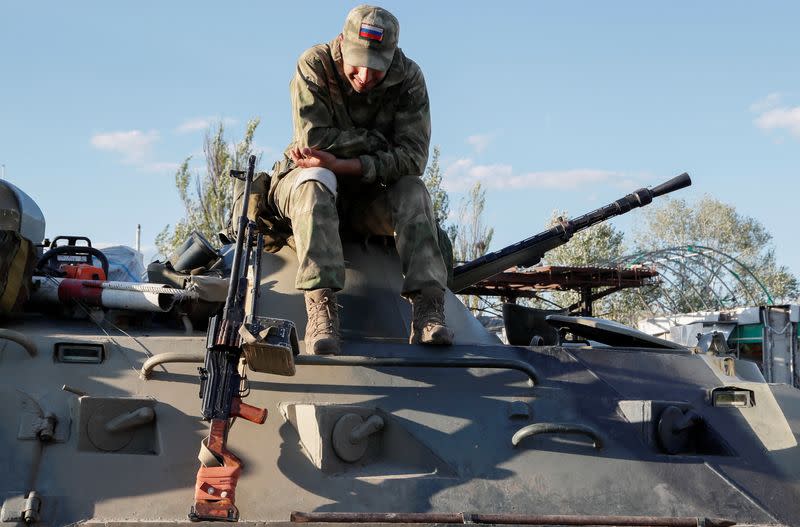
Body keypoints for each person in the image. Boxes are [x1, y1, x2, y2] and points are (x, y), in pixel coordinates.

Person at [265, 4, 453, 355]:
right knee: (315, 179)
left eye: (376, 68)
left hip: (368, 199)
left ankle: (428, 309)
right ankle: (321, 308)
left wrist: (347, 163)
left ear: (393, 56)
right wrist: (377, 144)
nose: (365, 77)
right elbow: (313, 142)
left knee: (413, 190)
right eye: (357, 64)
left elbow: (413, 159)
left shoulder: (409, 78)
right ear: (342, 42)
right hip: (306, 191)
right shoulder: (315, 64)